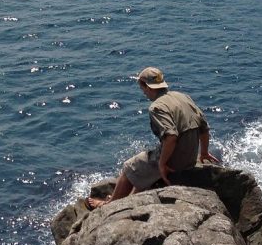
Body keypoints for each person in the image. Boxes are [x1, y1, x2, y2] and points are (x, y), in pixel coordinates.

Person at [87, 67, 218, 209]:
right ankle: (129, 199)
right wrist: (203, 152)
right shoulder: (183, 97)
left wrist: (162, 164)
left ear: (146, 86)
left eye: (142, 87)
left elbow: (171, 136)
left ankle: (109, 205)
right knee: (144, 167)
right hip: (191, 157)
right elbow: (204, 127)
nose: (143, 91)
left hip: (176, 161)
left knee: (129, 167)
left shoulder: (156, 107)